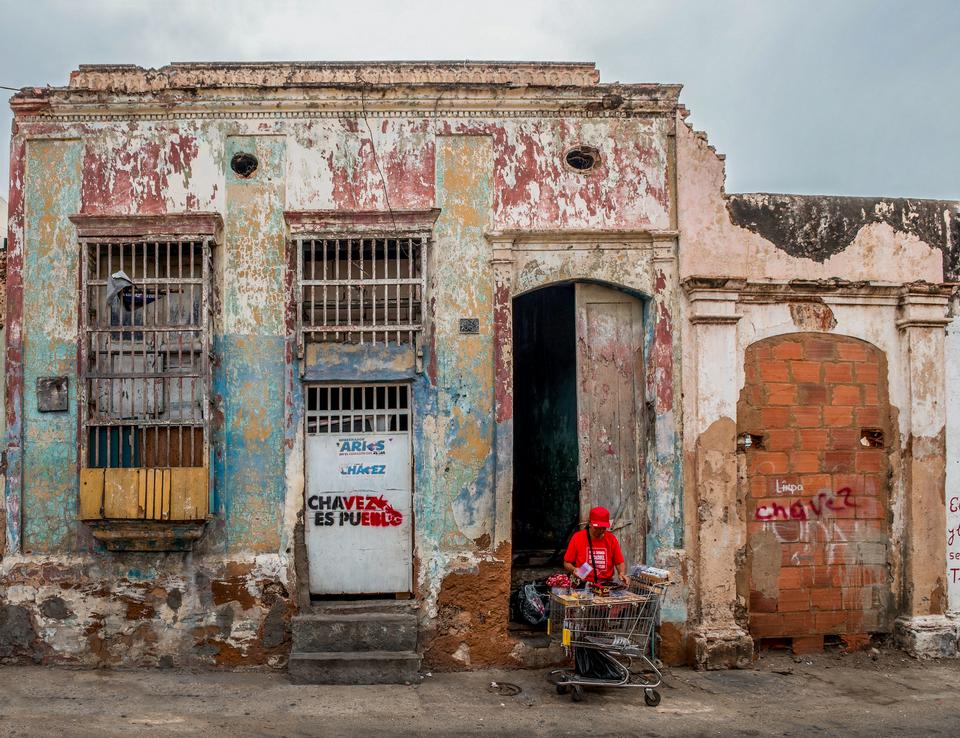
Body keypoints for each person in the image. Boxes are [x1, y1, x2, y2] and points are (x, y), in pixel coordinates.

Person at [563, 506, 631, 588]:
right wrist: (574, 569)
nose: (601, 531)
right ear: (590, 523)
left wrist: (621, 573)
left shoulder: (611, 539)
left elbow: (619, 562)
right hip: (582, 583)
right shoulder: (578, 537)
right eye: (597, 528)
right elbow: (566, 563)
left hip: (605, 584)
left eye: (603, 528)